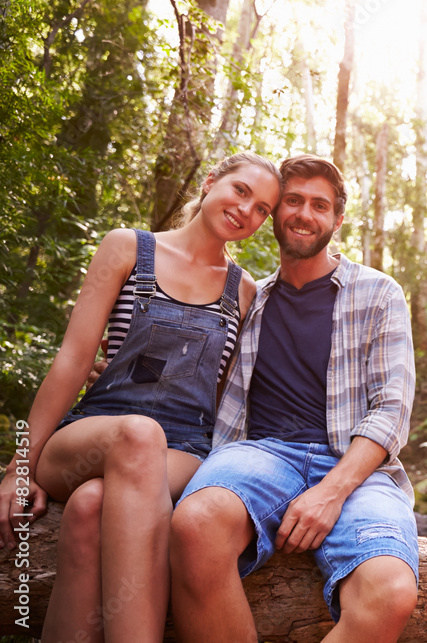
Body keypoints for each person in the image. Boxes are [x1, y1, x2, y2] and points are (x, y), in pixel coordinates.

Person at [0, 152, 281, 642]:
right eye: (241, 190)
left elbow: (223, 398)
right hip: (90, 435)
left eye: (262, 209)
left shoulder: (245, 293)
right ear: (211, 181)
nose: (246, 210)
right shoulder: (127, 247)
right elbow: (72, 361)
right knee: (137, 434)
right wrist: (18, 468)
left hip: (182, 452)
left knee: (90, 506)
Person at [169, 154, 419, 643]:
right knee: (196, 523)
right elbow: (193, 370)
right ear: (274, 213)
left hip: (357, 469)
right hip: (260, 455)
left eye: (320, 205)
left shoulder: (379, 293)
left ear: (337, 220)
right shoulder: (247, 298)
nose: (305, 214)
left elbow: (392, 411)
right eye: (294, 201)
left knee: (390, 592)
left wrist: (331, 492)